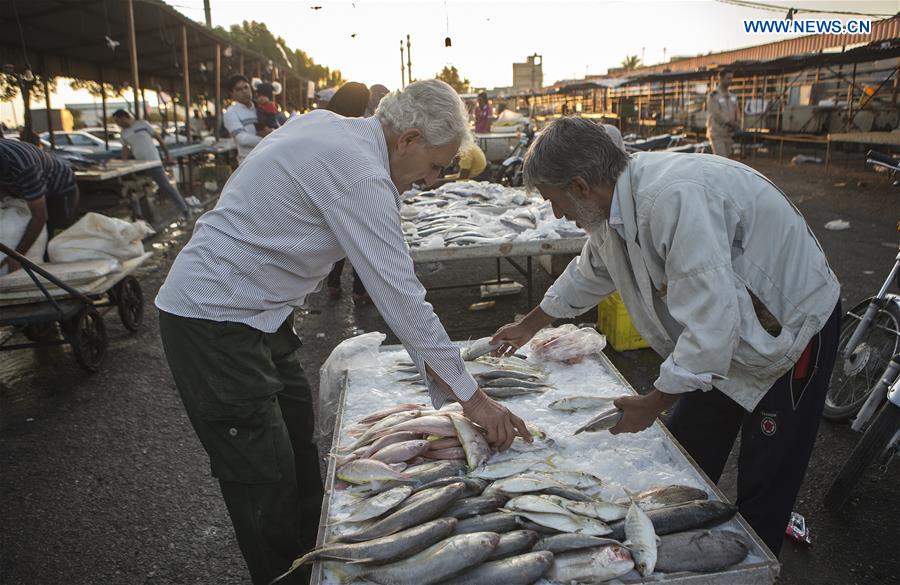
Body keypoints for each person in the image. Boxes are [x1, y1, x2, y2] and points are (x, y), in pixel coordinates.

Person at [154, 79, 531, 585]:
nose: (430, 180)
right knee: (261, 473)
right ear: (408, 139)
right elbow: (401, 296)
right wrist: (474, 399)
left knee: (297, 444)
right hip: (213, 321)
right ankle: (285, 576)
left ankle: (322, 559)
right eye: (434, 165)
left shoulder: (330, 127)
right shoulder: (360, 172)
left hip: (263, 315)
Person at [490, 117, 840, 557]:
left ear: (579, 185)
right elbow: (589, 273)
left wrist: (652, 402)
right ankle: (679, 545)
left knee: (767, 473)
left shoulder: (674, 199)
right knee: (686, 446)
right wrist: (529, 324)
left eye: (553, 200)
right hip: (721, 337)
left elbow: (712, 326)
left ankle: (753, 565)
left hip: (787, 333)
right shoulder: (611, 209)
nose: (557, 213)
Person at [324, 81, 373, 302]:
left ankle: (333, 283)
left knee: (338, 241)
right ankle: (359, 291)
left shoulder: (323, 122)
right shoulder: (355, 127)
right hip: (351, 192)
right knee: (361, 244)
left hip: (328, 193)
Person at [0, 137, 79, 272]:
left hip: (59, 190)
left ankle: (58, 279)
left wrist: (18, 256)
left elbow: (40, 216)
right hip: (25, 189)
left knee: (56, 243)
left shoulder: (24, 167)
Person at [112, 109, 191, 221]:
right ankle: (140, 217)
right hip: (140, 164)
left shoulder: (143, 124)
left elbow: (158, 138)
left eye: (118, 121)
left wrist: (167, 154)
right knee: (134, 188)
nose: (117, 124)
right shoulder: (124, 133)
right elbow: (125, 149)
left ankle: (185, 210)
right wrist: (124, 163)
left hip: (154, 161)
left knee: (165, 186)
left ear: (124, 117)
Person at [223, 75, 269, 163]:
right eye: (239, 89)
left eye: (246, 87)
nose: (244, 91)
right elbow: (242, 139)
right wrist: (271, 140)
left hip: (269, 158)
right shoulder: (231, 113)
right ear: (232, 94)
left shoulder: (261, 109)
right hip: (249, 163)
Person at [707, 70, 740, 158]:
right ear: (721, 78)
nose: (730, 81)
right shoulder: (714, 95)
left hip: (729, 134)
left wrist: (737, 122)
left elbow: (737, 111)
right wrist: (729, 122)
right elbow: (715, 113)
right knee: (721, 160)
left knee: (728, 161)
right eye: (728, 78)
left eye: (731, 78)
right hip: (717, 134)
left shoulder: (732, 96)